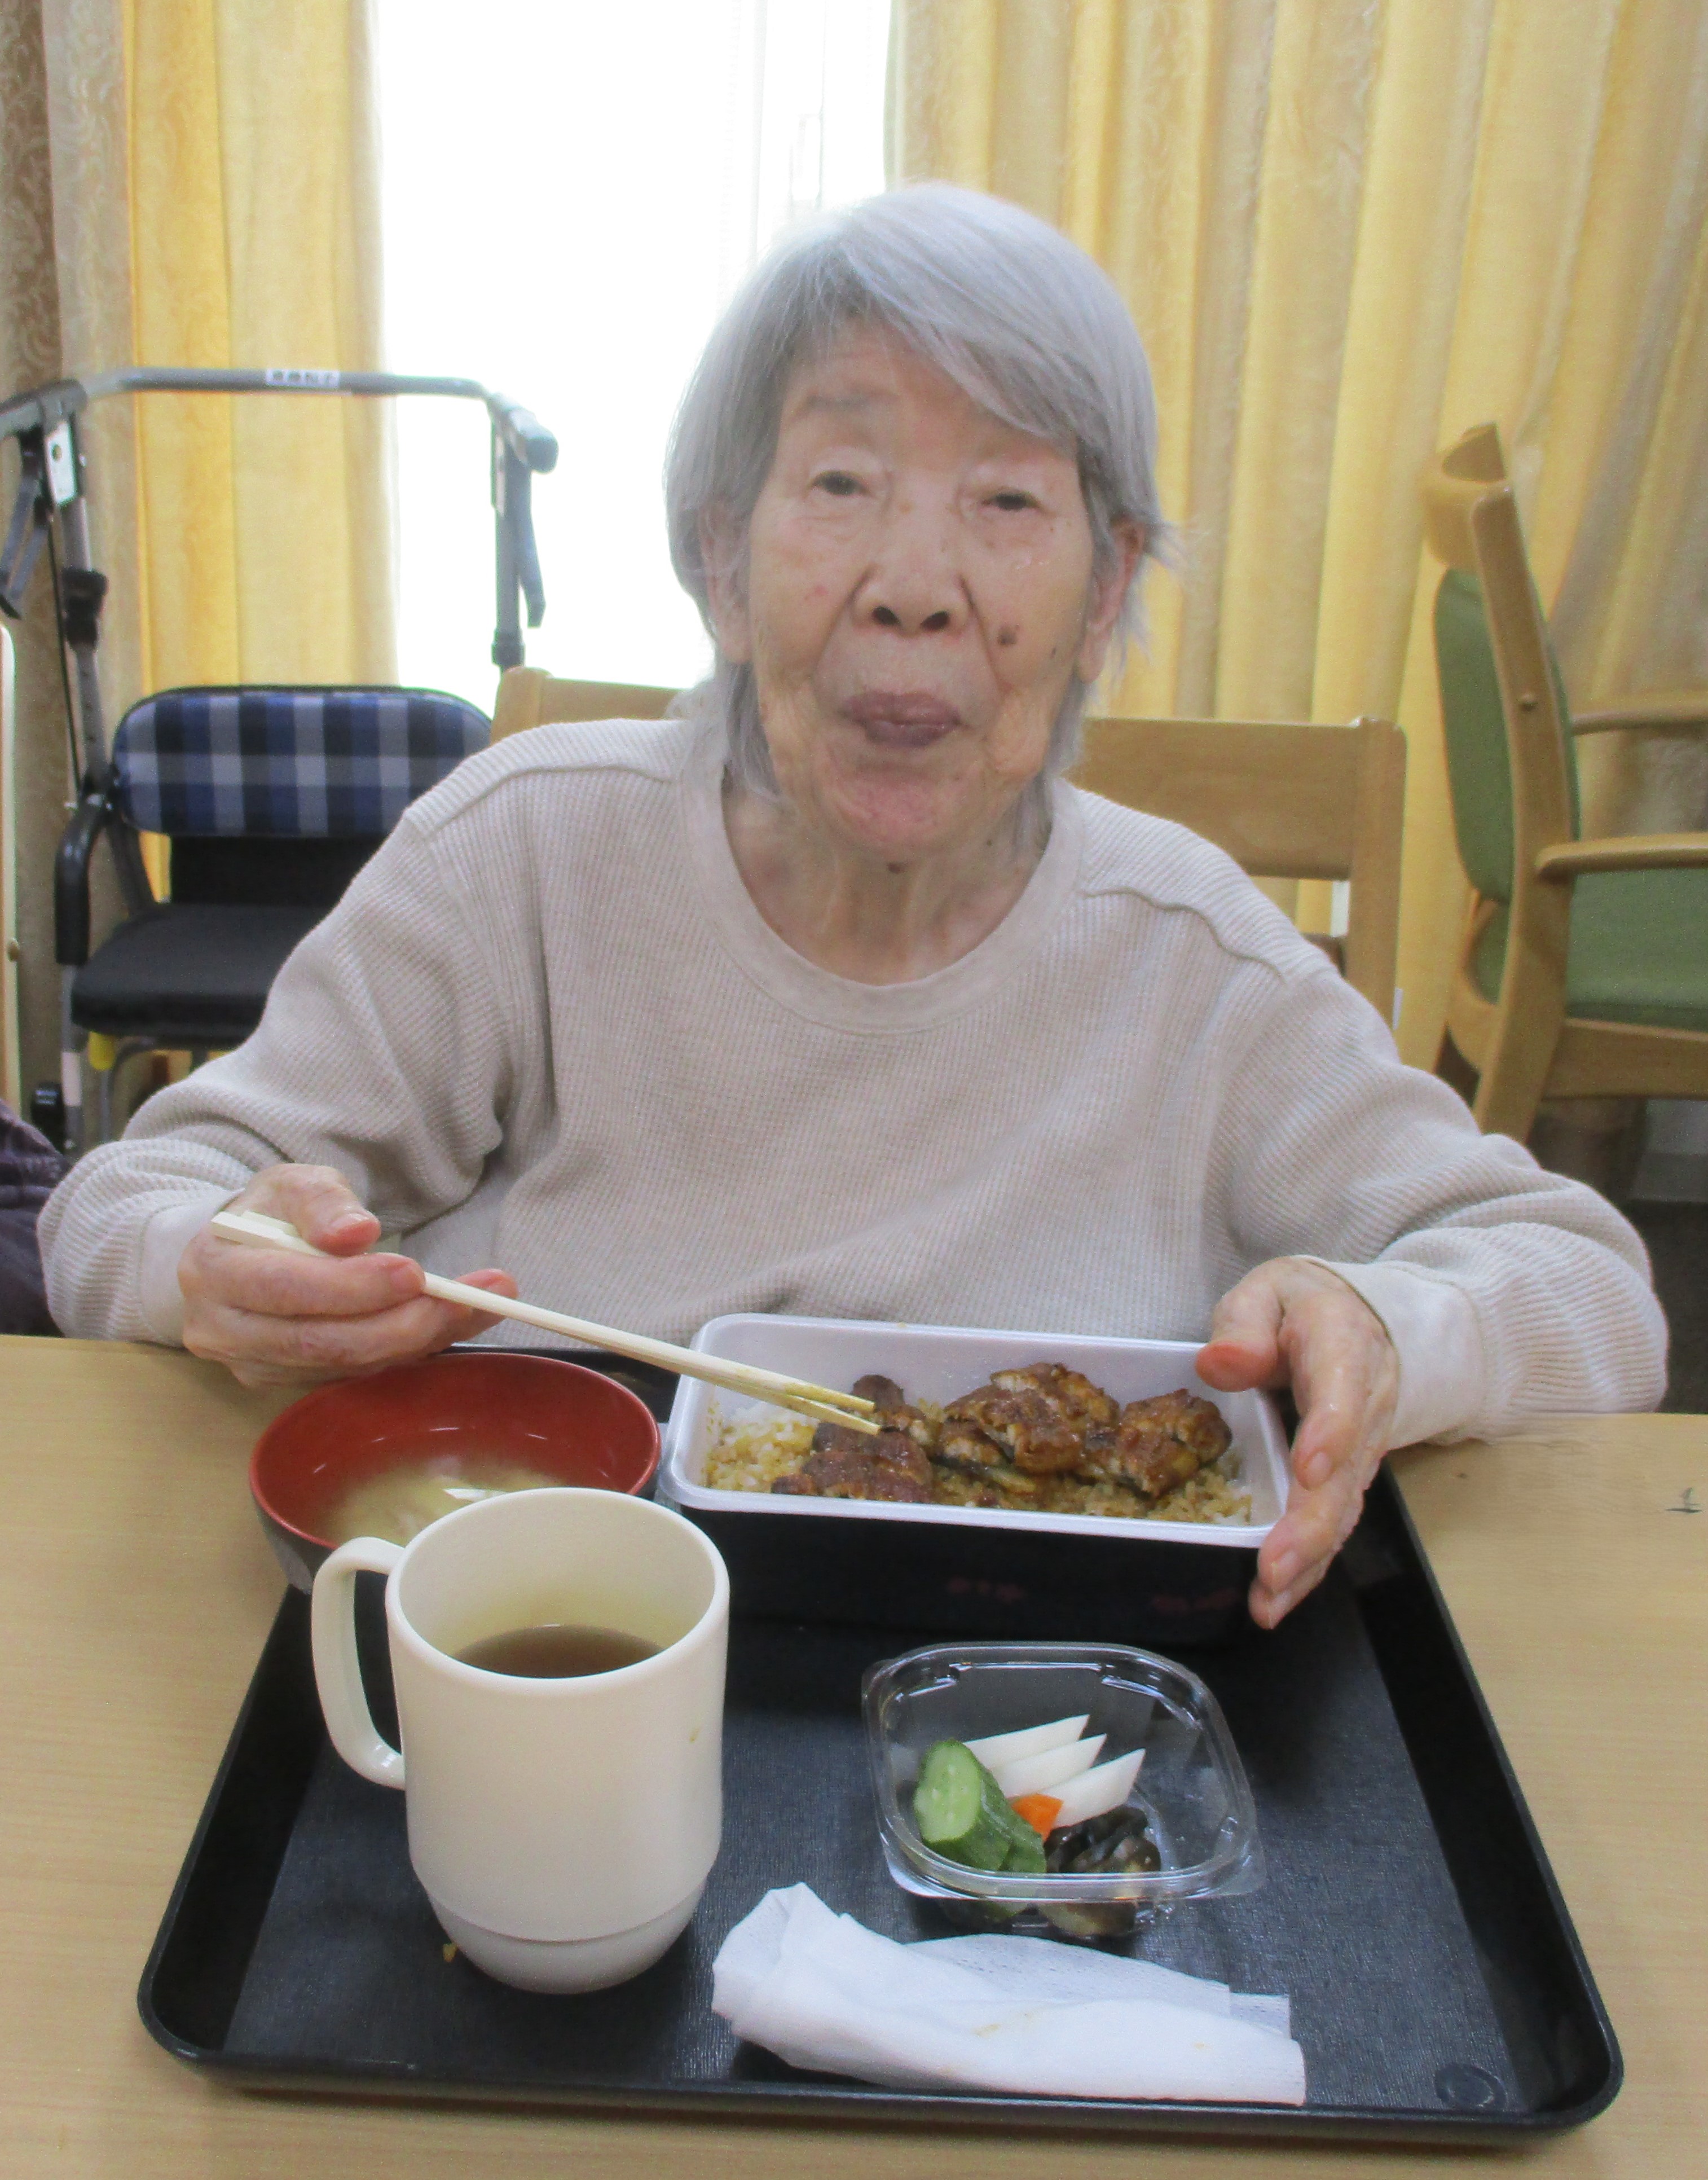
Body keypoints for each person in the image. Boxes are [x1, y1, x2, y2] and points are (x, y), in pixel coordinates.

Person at [40, 184, 1664, 1629]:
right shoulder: (527, 854)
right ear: (721, 563)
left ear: (1104, 594)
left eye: (1008, 503)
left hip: (1037, 1666)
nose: (912, 576)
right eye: (839, 479)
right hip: (555, 1633)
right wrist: (214, 1261)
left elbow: (1585, 1292)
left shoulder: (1196, 965)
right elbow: (126, 1203)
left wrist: (1377, 1319)